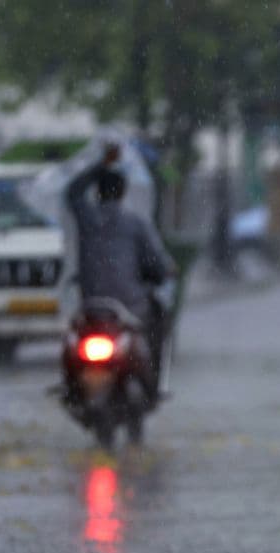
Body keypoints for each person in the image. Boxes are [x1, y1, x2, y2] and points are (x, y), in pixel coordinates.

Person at [66, 143, 175, 399]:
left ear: (97, 192)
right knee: (159, 322)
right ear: (124, 192)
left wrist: (99, 165)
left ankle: (71, 388)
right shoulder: (135, 223)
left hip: (91, 307)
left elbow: (72, 192)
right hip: (130, 308)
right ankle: (155, 386)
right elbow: (157, 263)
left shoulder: (86, 218)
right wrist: (166, 272)